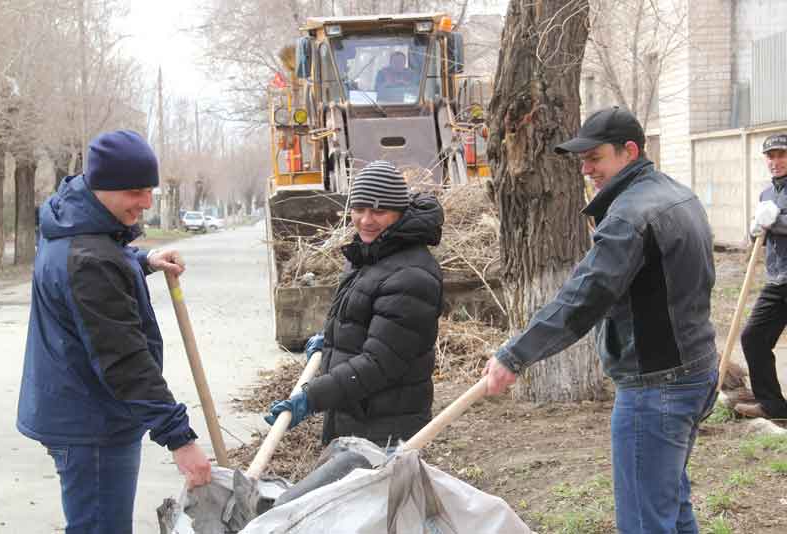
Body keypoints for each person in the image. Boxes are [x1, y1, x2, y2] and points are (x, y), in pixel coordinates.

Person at [482, 106, 719, 533]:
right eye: (583, 161)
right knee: (670, 504)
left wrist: (515, 355)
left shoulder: (629, 216)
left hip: (656, 389)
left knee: (647, 521)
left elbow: (582, 299)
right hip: (695, 374)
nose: (587, 169)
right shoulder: (678, 194)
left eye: (595, 158)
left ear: (629, 151)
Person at [17, 130, 211, 534]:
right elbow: (125, 361)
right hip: (92, 422)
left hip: (79, 411)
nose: (146, 203)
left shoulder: (72, 222)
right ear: (102, 188)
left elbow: (98, 268)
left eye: (149, 191)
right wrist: (180, 438)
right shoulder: (91, 260)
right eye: (136, 192)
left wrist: (142, 260)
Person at [266, 160, 444, 448]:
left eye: (378, 211)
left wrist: (313, 397)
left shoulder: (412, 277)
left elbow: (380, 362)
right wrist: (331, 340)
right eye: (359, 209)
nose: (365, 220)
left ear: (399, 213)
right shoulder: (367, 254)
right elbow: (360, 320)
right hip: (357, 416)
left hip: (385, 432)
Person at [735, 133, 787, 420]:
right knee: (753, 338)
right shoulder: (767, 194)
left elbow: (777, 224)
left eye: (781, 155)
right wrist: (756, 229)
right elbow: (764, 236)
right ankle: (773, 406)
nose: (775, 161)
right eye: (771, 156)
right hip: (777, 280)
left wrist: (775, 221)